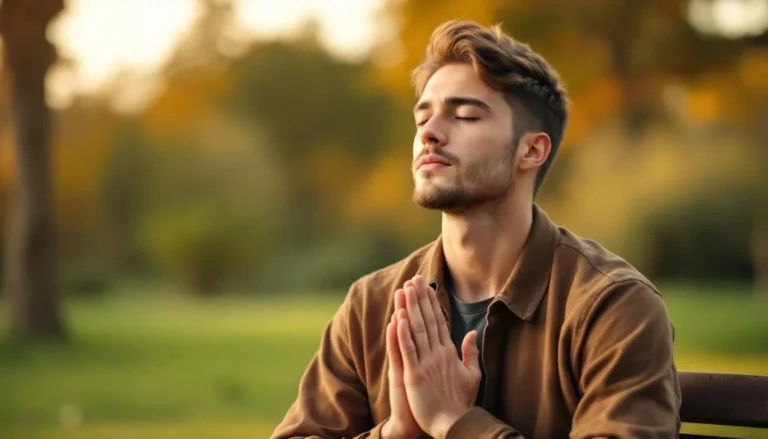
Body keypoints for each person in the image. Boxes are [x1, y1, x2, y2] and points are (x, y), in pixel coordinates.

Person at [271, 19, 681, 439]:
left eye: (465, 115)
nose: (429, 133)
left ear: (531, 150)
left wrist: (456, 422)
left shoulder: (612, 307)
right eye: (422, 118)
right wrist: (395, 432)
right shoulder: (371, 306)